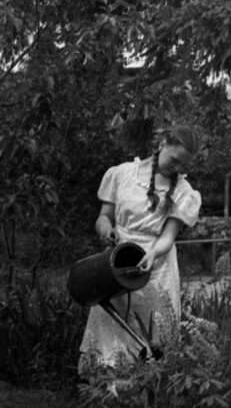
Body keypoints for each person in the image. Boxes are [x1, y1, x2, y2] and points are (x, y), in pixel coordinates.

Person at [78, 125, 202, 373]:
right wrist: (105, 229)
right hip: (116, 263)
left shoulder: (183, 192)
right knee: (111, 324)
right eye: (175, 160)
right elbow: (104, 217)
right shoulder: (122, 174)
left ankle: (144, 401)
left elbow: (168, 237)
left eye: (183, 165)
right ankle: (107, 395)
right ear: (163, 143)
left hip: (154, 268)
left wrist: (154, 254)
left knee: (150, 335)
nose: (177, 169)